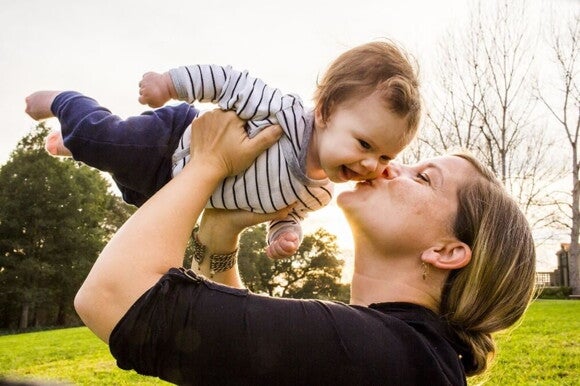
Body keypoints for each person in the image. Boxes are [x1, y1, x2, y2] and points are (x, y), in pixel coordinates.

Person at [72, 109, 536, 385]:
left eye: (423, 178)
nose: (392, 168)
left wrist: (207, 163)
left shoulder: (385, 353)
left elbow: (114, 296)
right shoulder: (407, 355)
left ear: (447, 252)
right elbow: (245, 349)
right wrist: (222, 235)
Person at [24, 40, 421, 262]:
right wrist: (169, 83)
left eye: (386, 157)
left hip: (175, 188)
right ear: (327, 111)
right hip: (173, 139)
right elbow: (228, 81)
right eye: (365, 144)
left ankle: (75, 144)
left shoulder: (318, 194)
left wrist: (285, 234)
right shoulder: (282, 113)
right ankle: (63, 100)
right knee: (104, 141)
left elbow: (285, 214)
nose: (371, 164)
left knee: (122, 180)